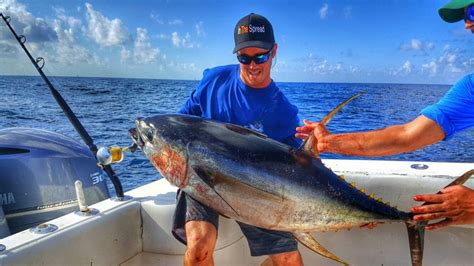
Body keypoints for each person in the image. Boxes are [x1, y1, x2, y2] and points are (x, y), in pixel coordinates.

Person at [296, 0, 474, 231]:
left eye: (472, 11)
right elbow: (405, 136)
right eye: (465, 16)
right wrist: (327, 142)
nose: (468, 24)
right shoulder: (470, 87)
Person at [174, 13, 304, 266]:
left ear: (274, 51)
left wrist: (314, 150)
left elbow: (297, 165)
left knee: (288, 260)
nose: (253, 65)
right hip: (204, 179)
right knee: (199, 248)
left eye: (261, 57)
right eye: (244, 58)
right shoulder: (212, 80)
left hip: (253, 189)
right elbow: (180, 127)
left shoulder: (283, 111)